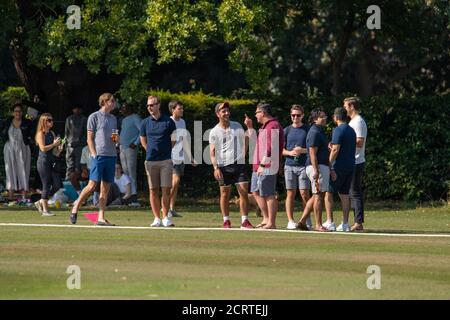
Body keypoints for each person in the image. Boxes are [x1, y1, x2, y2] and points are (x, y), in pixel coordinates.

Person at [68, 93, 118, 226]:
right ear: (104, 102)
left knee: (105, 189)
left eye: (114, 101)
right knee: (91, 186)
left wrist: (116, 140)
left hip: (111, 156)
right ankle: (75, 207)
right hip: (99, 156)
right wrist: (94, 154)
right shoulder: (94, 116)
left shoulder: (113, 118)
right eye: (112, 101)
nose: (114, 103)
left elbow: (114, 135)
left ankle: (101, 217)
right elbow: (89, 138)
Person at [209, 102, 254, 229]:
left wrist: (249, 127)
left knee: (244, 192)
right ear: (218, 114)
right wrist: (216, 168)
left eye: (227, 111)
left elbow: (246, 139)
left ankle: (244, 221)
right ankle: (226, 221)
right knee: (224, 194)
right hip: (223, 166)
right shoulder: (214, 131)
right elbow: (212, 152)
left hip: (239, 165)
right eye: (223, 111)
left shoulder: (237, 126)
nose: (227, 113)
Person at [244, 103, 284, 229]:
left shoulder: (273, 126)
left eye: (257, 112)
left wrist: (263, 164)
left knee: (268, 193)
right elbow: (257, 143)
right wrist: (250, 127)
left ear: (263, 112)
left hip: (267, 165)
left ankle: (271, 223)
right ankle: (266, 218)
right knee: (255, 192)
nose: (255, 115)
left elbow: (271, 147)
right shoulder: (264, 127)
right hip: (258, 165)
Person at [140, 95, 177, 227]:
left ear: (158, 105)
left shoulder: (168, 121)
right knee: (153, 190)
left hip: (166, 160)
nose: (150, 107)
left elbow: (174, 139)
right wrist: (148, 149)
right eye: (148, 105)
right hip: (150, 161)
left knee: (166, 189)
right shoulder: (145, 122)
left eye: (152, 105)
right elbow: (142, 139)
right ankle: (157, 218)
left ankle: (166, 217)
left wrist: (165, 150)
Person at [297, 108, 330, 232]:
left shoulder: (320, 131)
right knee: (318, 196)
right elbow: (312, 152)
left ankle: (302, 221)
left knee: (317, 195)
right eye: (322, 116)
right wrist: (316, 170)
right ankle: (318, 225)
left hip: (321, 166)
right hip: (317, 167)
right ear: (316, 119)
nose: (325, 118)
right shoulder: (314, 132)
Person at [326, 107, 356, 232]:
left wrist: (328, 164)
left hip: (338, 166)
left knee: (328, 192)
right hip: (350, 165)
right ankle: (345, 224)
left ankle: (330, 222)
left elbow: (336, 149)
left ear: (336, 117)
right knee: (344, 194)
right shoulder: (352, 130)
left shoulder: (338, 130)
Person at [282, 104, 312, 230]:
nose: (295, 117)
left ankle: (306, 220)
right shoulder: (286, 130)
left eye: (298, 115)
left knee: (305, 193)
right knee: (290, 193)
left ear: (302, 115)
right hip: (289, 165)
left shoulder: (308, 129)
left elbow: (313, 149)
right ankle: (290, 221)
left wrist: (302, 150)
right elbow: (280, 150)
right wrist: (289, 153)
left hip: (304, 166)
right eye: (293, 115)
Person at [168, 100, 196, 218]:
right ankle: (165, 207)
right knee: (175, 182)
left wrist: (190, 157)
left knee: (176, 184)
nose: (182, 110)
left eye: (182, 108)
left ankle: (171, 208)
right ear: (173, 110)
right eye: (180, 108)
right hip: (171, 157)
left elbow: (184, 140)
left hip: (180, 157)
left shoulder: (182, 122)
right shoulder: (168, 122)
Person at [344, 97, 367, 232]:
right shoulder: (353, 121)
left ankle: (358, 223)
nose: (344, 108)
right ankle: (356, 221)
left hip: (356, 161)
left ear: (352, 106)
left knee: (355, 192)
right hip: (352, 160)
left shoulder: (358, 122)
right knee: (352, 192)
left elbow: (359, 142)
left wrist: (343, 143)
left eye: (346, 106)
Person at [34, 113, 63, 216]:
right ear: (44, 122)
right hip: (43, 162)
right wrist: (54, 144)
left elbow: (54, 152)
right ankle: (45, 211)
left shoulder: (52, 133)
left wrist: (59, 150)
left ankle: (41, 201)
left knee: (57, 185)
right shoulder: (40, 134)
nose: (51, 122)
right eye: (49, 120)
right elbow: (43, 148)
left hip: (52, 161)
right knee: (46, 185)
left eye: (51, 120)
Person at [2, 103, 33, 200]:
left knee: (23, 170)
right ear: (12, 112)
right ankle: (10, 195)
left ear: (22, 112)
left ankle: (24, 195)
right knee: (9, 170)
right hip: (9, 148)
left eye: (19, 111)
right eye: (15, 111)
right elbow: (3, 132)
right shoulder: (7, 121)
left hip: (23, 148)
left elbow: (32, 133)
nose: (17, 113)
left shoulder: (27, 122)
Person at [118, 103, 141, 205]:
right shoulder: (123, 120)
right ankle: (128, 195)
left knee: (131, 172)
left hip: (131, 148)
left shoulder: (135, 117)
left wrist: (136, 142)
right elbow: (122, 133)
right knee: (126, 173)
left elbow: (142, 131)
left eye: (123, 108)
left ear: (130, 108)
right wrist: (117, 145)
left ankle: (134, 196)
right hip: (122, 148)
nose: (121, 110)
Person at [65, 105, 87, 196]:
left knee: (78, 166)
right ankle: (68, 181)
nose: (77, 110)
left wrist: (82, 143)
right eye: (75, 108)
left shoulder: (84, 119)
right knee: (70, 164)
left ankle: (78, 185)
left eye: (79, 108)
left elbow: (86, 133)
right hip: (70, 145)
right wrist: (67, 143)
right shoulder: (69, 119)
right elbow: (66, 132)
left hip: (80, 146)